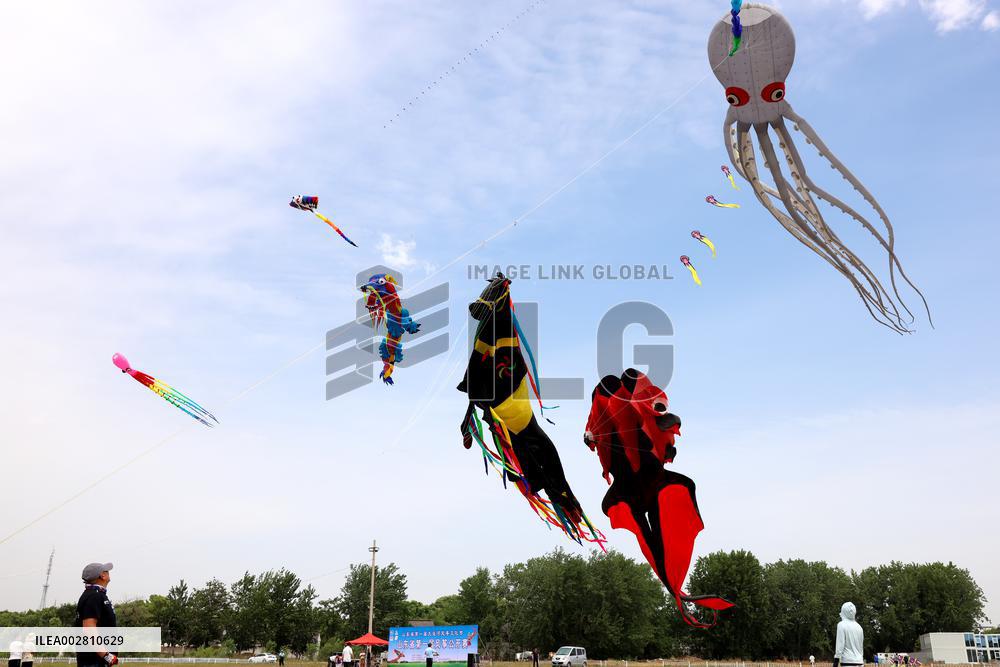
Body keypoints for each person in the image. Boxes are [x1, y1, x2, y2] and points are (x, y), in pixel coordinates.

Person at [74, 562, 117, 667]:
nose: (109, 573)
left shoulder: (96, 594)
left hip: (96, 660)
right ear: (102, 575)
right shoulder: (94, 596)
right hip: (94, 660)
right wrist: (107, 656)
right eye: (106, 571)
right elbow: (89, 629)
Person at [833, 601, 864, 667]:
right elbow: (861, 647)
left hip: (847, 662)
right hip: (860, 662)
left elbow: (840, 645)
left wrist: (836, 661)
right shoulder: (859, 627)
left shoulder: (841, 625)